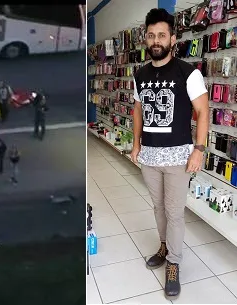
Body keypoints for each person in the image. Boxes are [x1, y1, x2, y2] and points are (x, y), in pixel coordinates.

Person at [129, 8, 209, 299]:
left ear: (173, 38)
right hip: (149, 156)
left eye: (162, 35)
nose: (156, 40)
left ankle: (173, 262)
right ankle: (164, 246)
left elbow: (202, 112)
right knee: (158, 208)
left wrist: (198, 150)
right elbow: (138, 109)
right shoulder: (140, 73)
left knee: (175, 213)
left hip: (178, 157)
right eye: (151, 35)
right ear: (146, 39)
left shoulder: (188, 73)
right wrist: (136, 144)